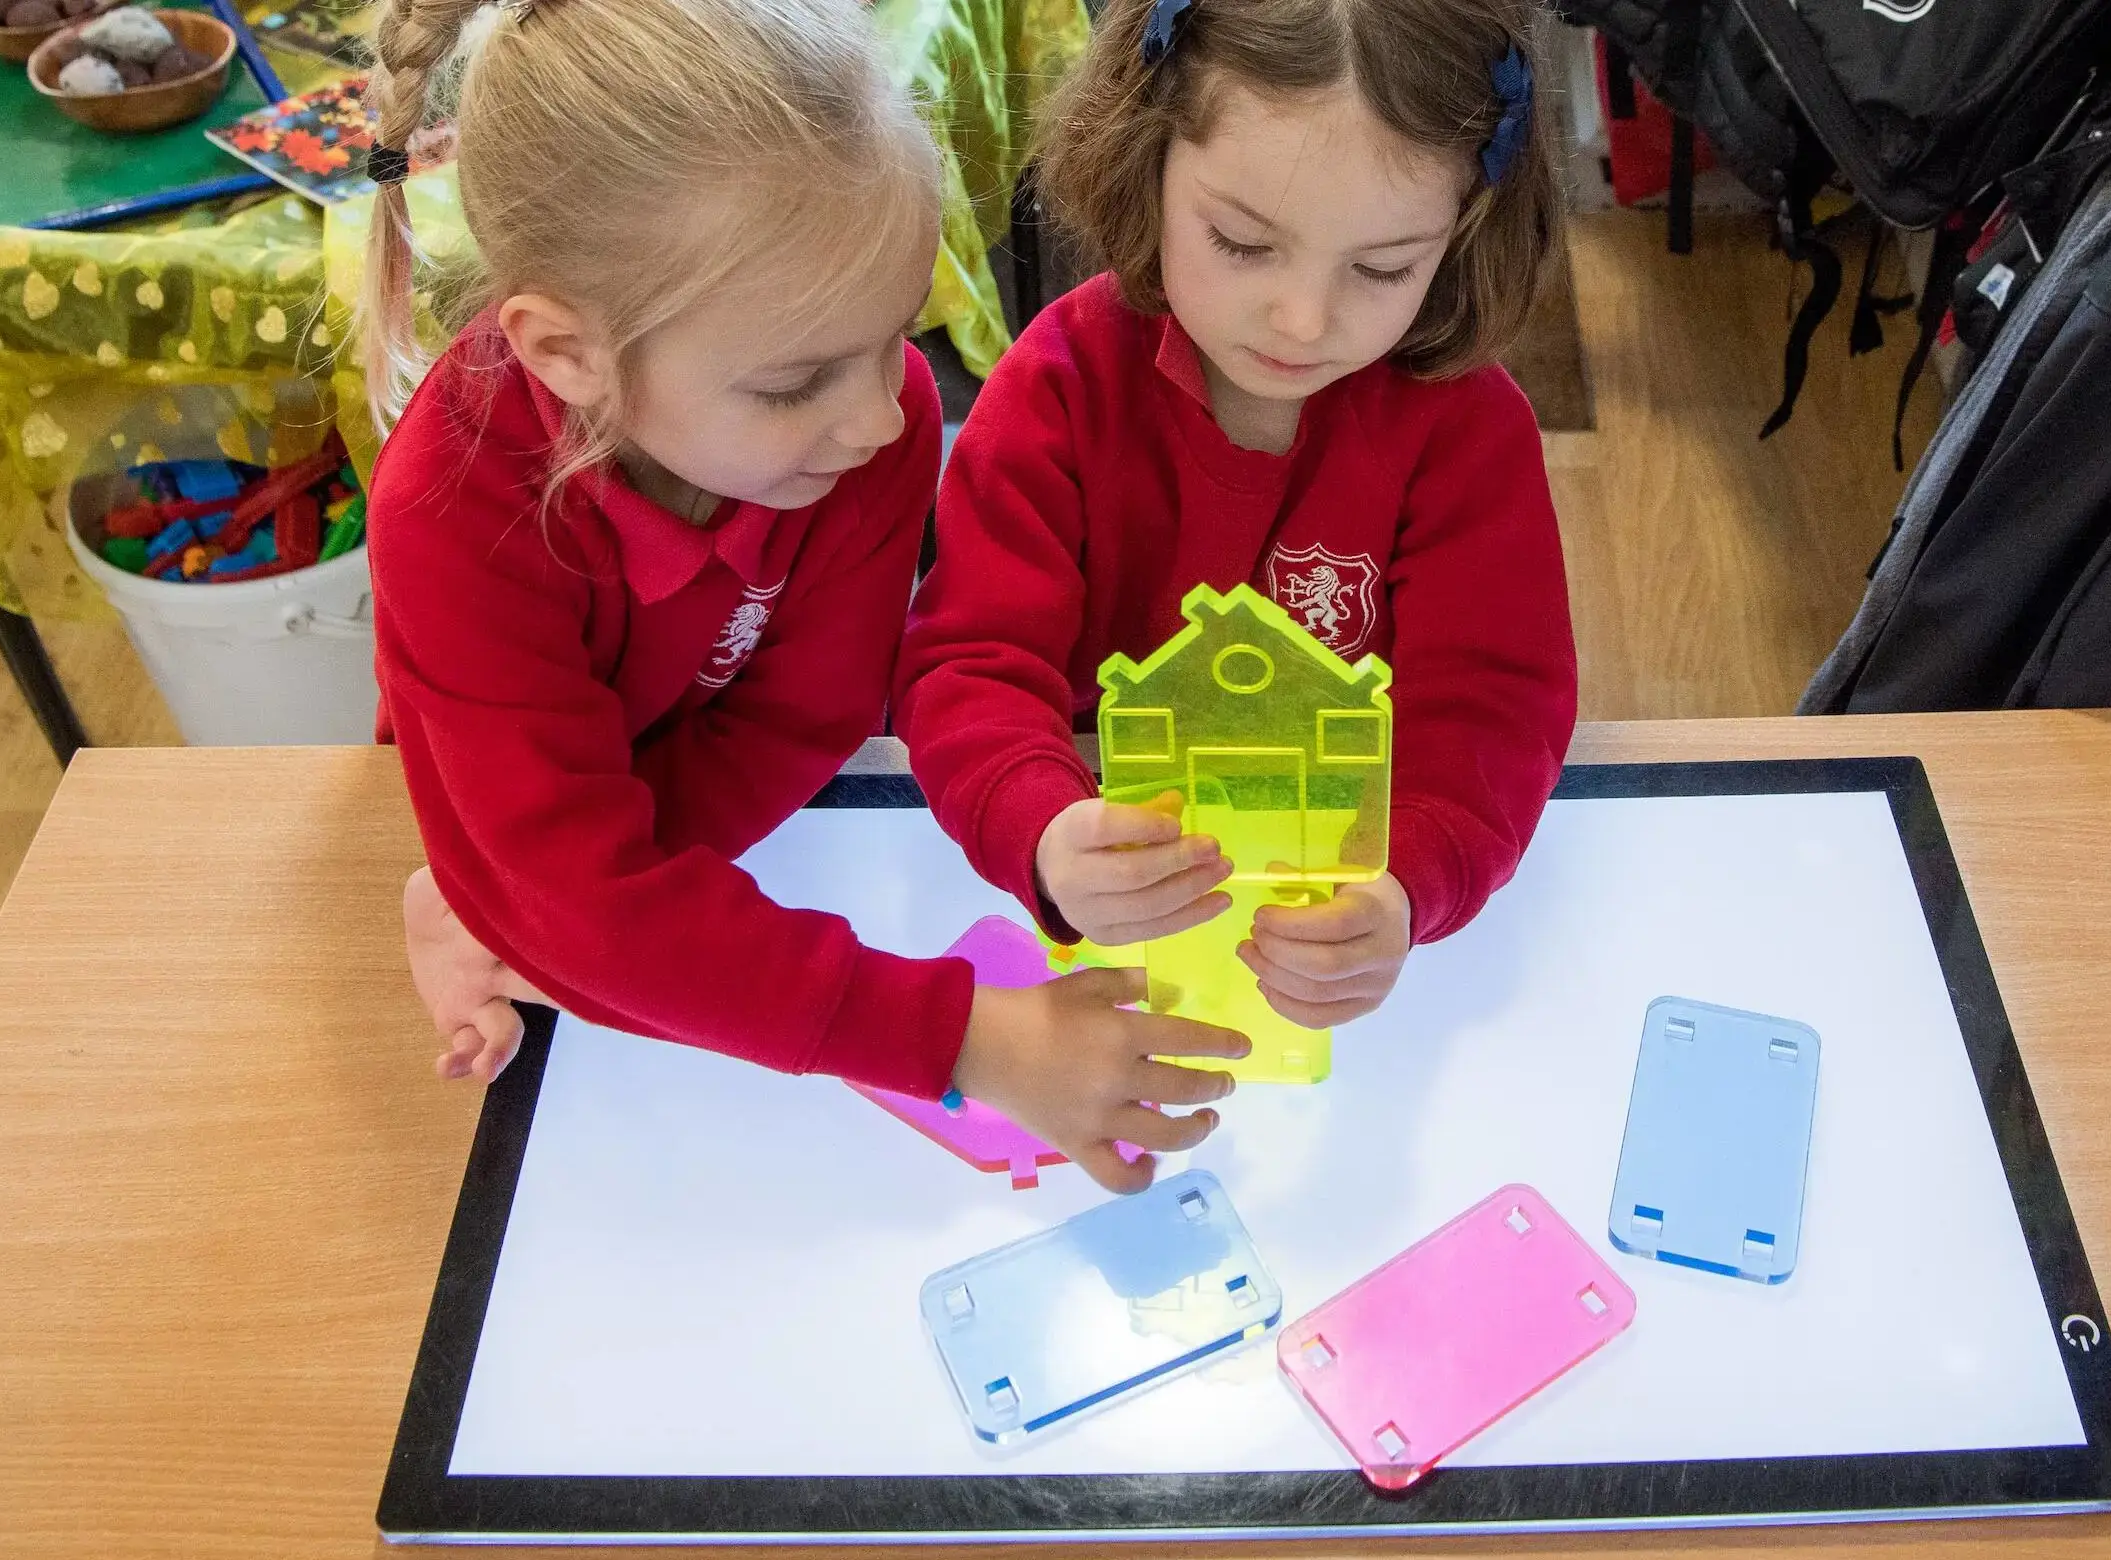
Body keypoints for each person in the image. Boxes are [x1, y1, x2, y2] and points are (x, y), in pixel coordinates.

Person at [361, 0, 1244, 1191]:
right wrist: (968, 1037)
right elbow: (581, 886)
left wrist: (558, 909)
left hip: (637, 832)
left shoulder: (869, 433)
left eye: (894, 336)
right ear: (564, 353)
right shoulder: (448, 506)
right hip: (506, 796)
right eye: (792, 383)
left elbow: (803, 720)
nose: (883, 417)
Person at [894, 0, 1577, 1037]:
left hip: (1329, 903)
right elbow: (970, 663)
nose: (1304, 321)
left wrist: (1404, 880)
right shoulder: (1057, 386)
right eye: (1242, 243)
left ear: (1466, 228)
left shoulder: (1467, 433)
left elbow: (1493, 710)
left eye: (1384, 267)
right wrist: (1042, 827)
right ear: (1145, 154)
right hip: (1109, 892)